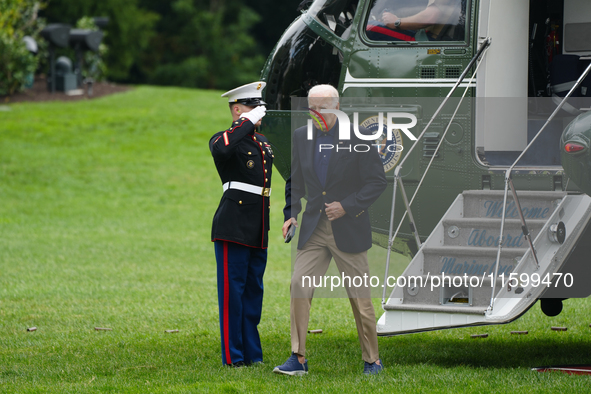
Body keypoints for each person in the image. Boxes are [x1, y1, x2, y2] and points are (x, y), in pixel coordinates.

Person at [273, 84, 387, 376]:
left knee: (360, 298)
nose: (316, 114)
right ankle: (298, 358)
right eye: (312, 108)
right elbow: (294, 181)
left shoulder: (360, 136)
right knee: (299, 285)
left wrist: (347, 206)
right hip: (313, 228)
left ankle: (372, 360)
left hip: (348, 227)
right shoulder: (301, 136)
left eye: (322, 108)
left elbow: (376, 182)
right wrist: (291, 213)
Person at [209, 81, 274, 367]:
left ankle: (253, 355)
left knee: (252, 294)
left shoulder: (262, 143)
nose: (258, 112)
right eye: (251, 106)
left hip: (258, 226)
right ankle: (233, 358)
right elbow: (223, 151)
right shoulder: (223, 139)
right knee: (231, 296)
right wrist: (245, 122)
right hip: (233, 225)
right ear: (237, 109)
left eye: (260, 107)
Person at [366, 0, 464, 42]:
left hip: (429, 40)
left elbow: (430, 17)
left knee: (369, 27)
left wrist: (397, 22)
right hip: (428, 36)